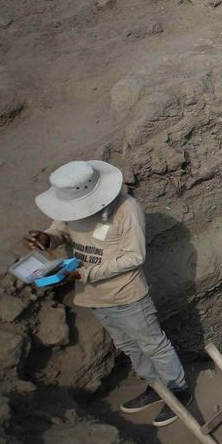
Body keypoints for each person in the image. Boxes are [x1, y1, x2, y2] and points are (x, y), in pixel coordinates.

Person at [22, 159, 191, 427]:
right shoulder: (71, 206)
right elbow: (60, 229)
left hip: (126, 295)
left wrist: (84, 274)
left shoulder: (127, 210)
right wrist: (47, 238)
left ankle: (178, 391)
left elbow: (134, 257)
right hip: (94, 296)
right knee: (127, 345)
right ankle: (156, 387)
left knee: (152, 344)